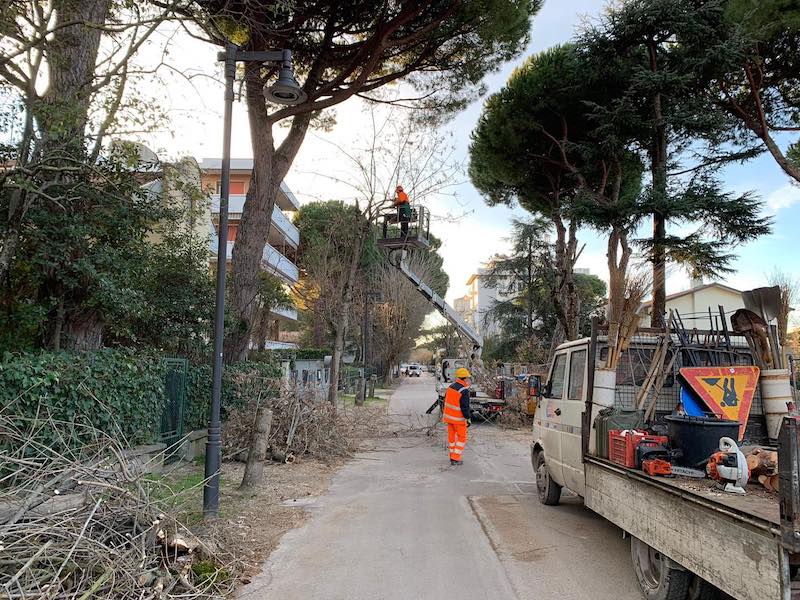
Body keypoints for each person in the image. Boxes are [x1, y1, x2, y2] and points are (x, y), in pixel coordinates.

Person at [442, 367, 472, 466]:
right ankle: (455, 458)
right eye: (468, 378)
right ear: (465, 378)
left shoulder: (451, 387)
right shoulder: (464, 390)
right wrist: (468, 418)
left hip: (449, 418)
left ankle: (452, 456)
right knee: (462, 438)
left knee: (451, 438)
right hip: (458, 419)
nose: (468, 380)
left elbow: (446, 401)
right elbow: (465, 407)